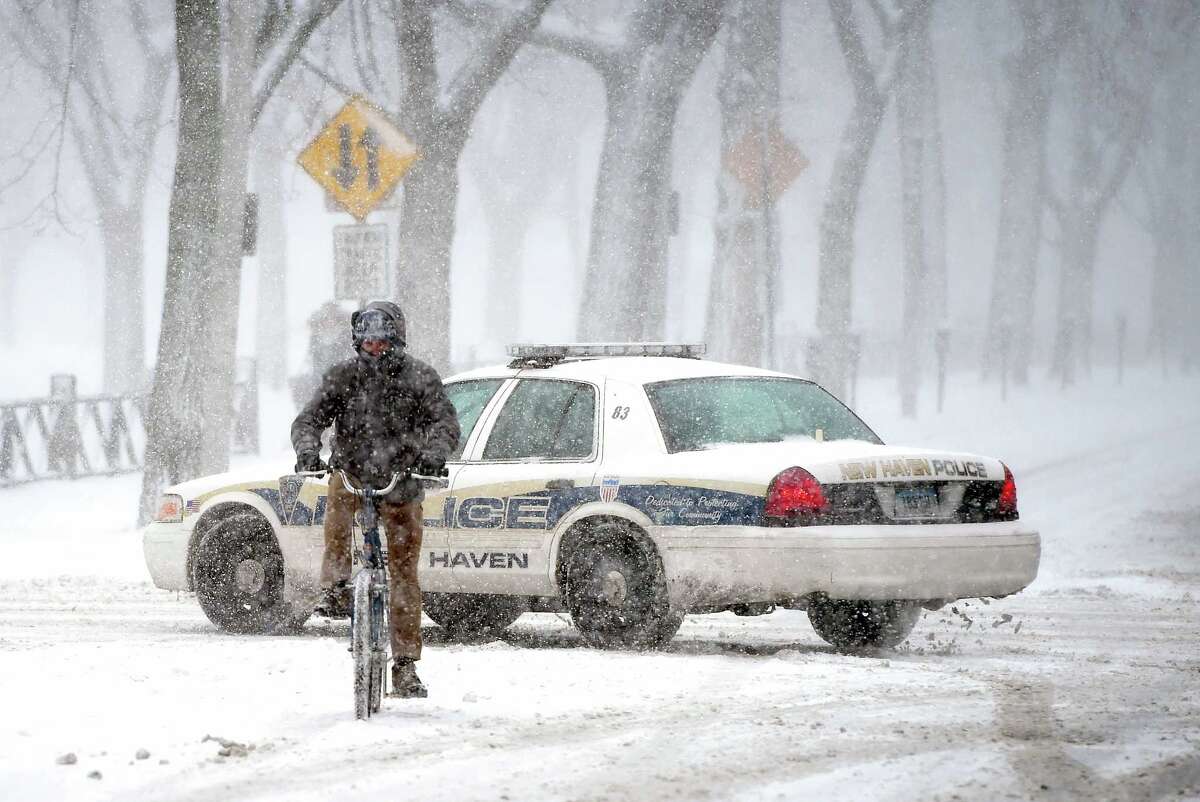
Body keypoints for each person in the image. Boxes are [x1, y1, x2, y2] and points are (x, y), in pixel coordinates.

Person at [291, 301, 459, 698]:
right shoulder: (343, 377)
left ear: (396, 339)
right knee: (336, 514)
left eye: (382, 341)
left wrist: (434, 455)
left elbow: (445, 422)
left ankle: (404, 665)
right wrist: (307, 451)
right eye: (367, 341)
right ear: (356, 341)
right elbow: (309, 420)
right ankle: (334, 588)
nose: (374, 348)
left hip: (401, 481)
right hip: (351, 474)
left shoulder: (420, 378)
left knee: (403, 571)